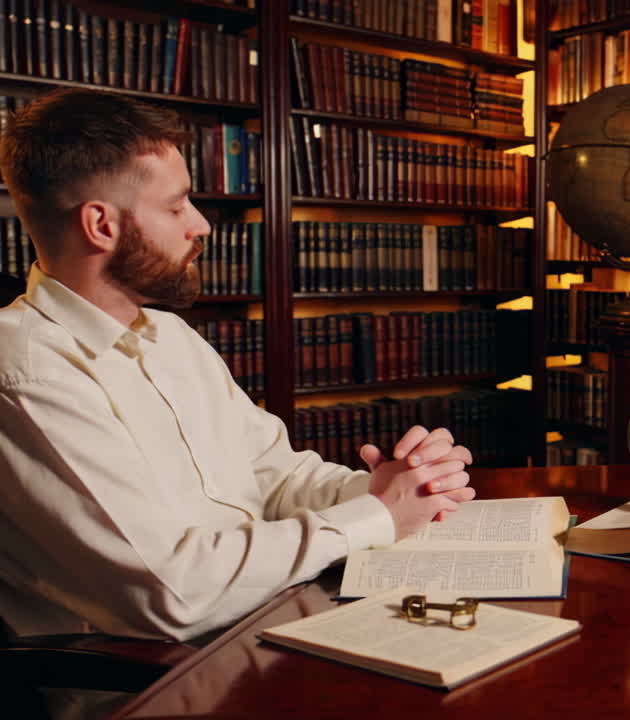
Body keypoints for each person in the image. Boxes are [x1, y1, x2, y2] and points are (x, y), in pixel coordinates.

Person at [0, 88, 476, 643]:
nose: (200, 225)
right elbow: (172, 595)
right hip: (157, 686)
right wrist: (374, 518)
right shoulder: (27, 374)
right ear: (101, 225)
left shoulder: (171, 338)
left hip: (266, 627)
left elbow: (276, 477)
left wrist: (399, 489)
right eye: (176, 207)